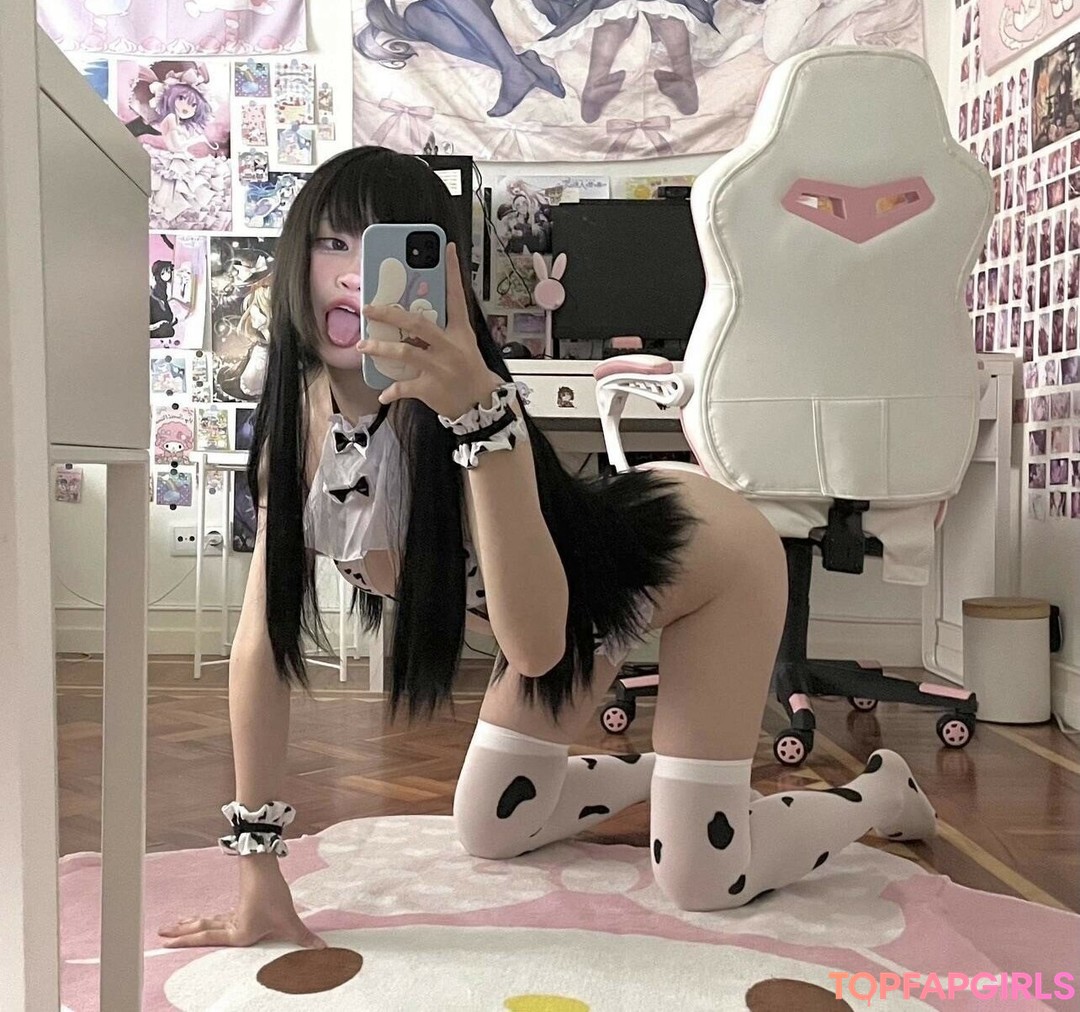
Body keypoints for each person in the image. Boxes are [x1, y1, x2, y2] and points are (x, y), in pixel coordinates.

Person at [158, 146, 936, 949]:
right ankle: (675, 778)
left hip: (704, 558)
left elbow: (533, 649)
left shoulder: (473, 411)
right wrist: (257, 865)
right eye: (332, 243)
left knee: (705, 877)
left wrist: (479, 419)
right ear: (294, 260)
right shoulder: (297, 425)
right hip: (582, 610)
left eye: (388, 244)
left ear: (442, 273)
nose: (356, 274)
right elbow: (261, 645)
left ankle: (880, 792)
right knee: (490, 826)